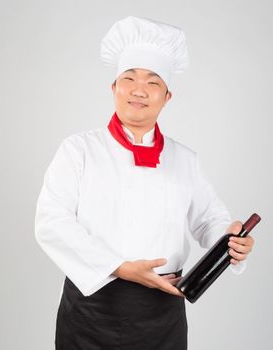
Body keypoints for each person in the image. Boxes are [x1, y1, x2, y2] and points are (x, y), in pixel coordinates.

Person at [34, 16, 255, 350]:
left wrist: (231, 241)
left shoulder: (185, 159)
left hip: (162, 311)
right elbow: (52, 221)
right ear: (114, 88)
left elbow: (211, 219)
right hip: (92, 307)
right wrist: (120, 268)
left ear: (167, 96)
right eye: (129, 78)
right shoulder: (78, 150)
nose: (139, 90)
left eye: (153, 82)